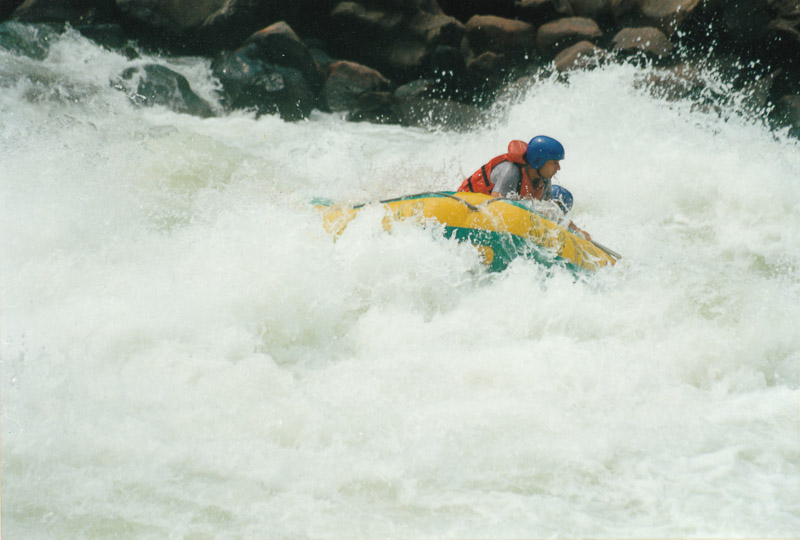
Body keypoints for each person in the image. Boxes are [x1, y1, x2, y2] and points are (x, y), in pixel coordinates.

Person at [458, 136, 591, 240]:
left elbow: (553, 211)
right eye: (554, 163)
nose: (558, 168)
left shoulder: (544, 180)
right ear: (539, 161)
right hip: (467, 205)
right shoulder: (510, 170)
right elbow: (495, 206)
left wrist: (576, 230)